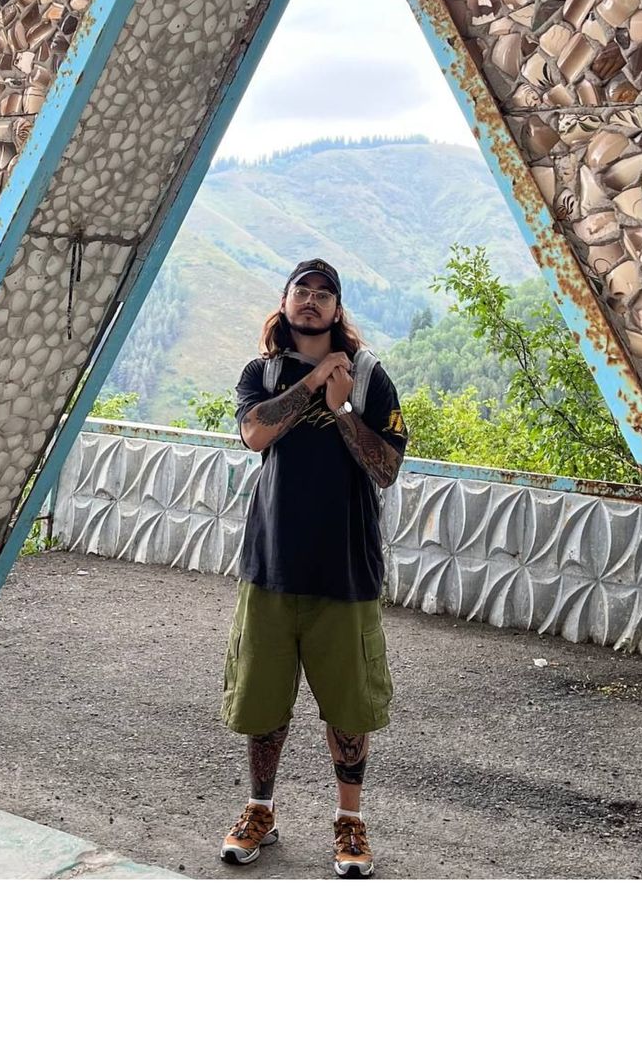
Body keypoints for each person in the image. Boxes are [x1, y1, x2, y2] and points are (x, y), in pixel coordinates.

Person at [219, 258, 408, 878]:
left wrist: (343, 407)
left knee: (350, 708)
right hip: (271, 565)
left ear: (337, 309)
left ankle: (350, 821)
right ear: (285, 300)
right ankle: (260, 810)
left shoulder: (370, 376)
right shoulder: (264, 373)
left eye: (325, 294)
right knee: (263, 702)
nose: (312, 300)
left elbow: (386, 469)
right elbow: (254, 434)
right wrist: (312, 384)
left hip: (346, 569)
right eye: (303, 289)